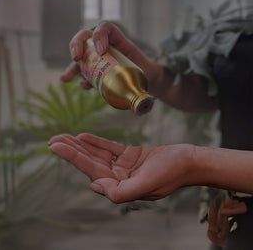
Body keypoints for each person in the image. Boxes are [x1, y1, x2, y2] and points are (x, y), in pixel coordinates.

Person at [57, 22, 253, 248]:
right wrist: (152, 74)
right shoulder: (239, 9)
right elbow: (217, 94)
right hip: (233, 213)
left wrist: (197, 164)